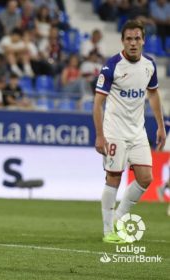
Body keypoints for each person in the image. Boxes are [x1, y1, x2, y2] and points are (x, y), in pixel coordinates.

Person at [93, 20, 166, 244]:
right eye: (128, 39)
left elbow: (153, 95)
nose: (133, 43)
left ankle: (119, 216)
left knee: (146, 178)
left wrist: (161, 126)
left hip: (138, 132)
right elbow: (97, 104)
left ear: (143, 40)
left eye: (137, 38)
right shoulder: (112, 66)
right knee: (113, 178)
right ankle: (107, 231)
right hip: (114, 131)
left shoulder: (149, 65)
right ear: (122, 41)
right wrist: (99, 135)